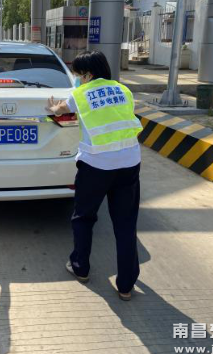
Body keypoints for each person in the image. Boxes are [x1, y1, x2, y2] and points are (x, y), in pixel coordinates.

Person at [46, 50, 143, 301]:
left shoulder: (81, 94)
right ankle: (126, 285)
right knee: (125, 223)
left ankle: (81, 268)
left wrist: (53, 107)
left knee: (84, 217)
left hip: (96, 164)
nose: (78, 79)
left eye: (79, 74)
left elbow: (60, 109)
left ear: (88, 74)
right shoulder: (123, 90)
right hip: (129, 163)